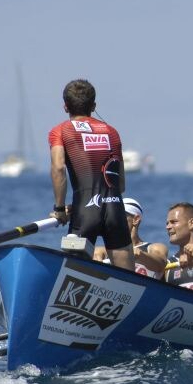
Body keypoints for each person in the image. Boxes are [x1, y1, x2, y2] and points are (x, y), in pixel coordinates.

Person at [49, 79, 134, 270]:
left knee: (74, 277)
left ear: (65, 106)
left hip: (85, 212)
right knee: (130, 281)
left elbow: (58, 168)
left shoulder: (61, 131)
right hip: (115, 209)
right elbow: (120, 185)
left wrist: (60, 208)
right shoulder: (112, 132)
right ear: (94, 106)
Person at [163, 202, 193, 292]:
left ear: (192, 223)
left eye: (174, 222)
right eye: (167, 223)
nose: (168, 227)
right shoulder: (167, 265)